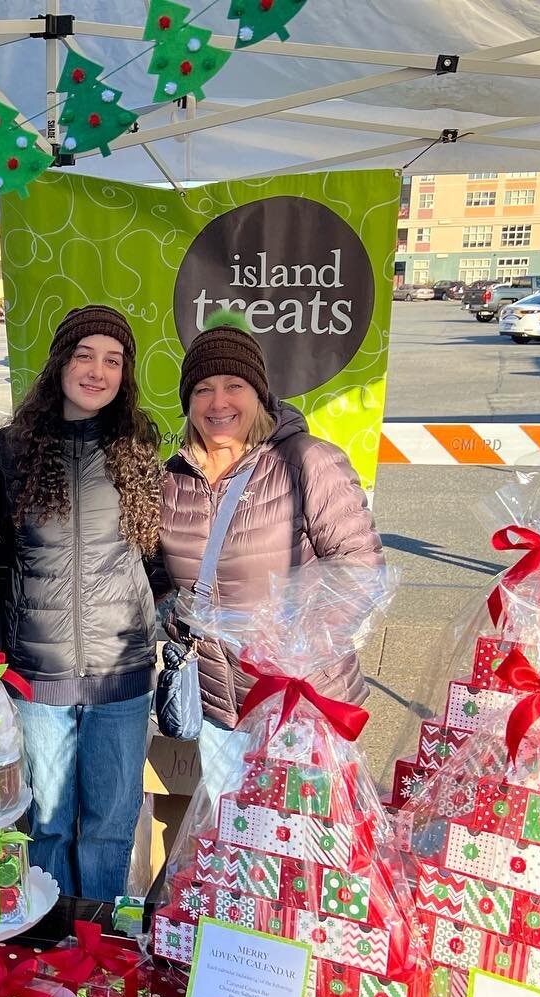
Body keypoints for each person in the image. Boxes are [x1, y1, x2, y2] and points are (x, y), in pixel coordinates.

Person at [159, 311, 383, 806]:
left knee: (306, 859)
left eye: (233, 385)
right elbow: (160, 578)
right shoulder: (173, 480)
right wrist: (173, 614)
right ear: (187, 402)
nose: (218, 402)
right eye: (202, 389)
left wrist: (294, 649)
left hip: (299, 704)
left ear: (259, 395)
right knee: (235, 849)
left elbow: (360, 566)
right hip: (222, 710)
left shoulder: (306, 460)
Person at [0, 305, 163, 901]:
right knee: (45, 825)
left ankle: (99, 953)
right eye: (85, 355)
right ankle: (50, 943)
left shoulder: (136, 445)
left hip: (120, 672)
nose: (97, 371)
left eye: (113, 361)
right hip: (39, 674)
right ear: (60, 363)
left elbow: (156, 555)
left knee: (108, 828)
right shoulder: (13, 449)